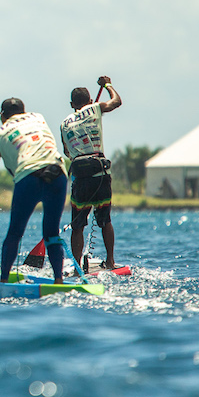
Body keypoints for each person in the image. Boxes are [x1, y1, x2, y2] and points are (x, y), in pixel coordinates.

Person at [0, 98, 69, 285]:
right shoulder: (38, 118)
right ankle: (58, 281)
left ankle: (4, 282)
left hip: (29, 178)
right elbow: (18, 130)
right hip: (57, 174)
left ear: (3, 116)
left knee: (15, 233)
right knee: (52, 233)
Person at [61, 76, 123, 271]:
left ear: (72, 104)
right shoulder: (94, 108)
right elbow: (116, 102)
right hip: (99, 172)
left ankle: (78, 266)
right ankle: (111, 261)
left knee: (78, 225)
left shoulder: (64, 124)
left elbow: (67, 153)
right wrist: (107, 85)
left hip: (80, 174)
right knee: (105, 220)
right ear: (89, 101)